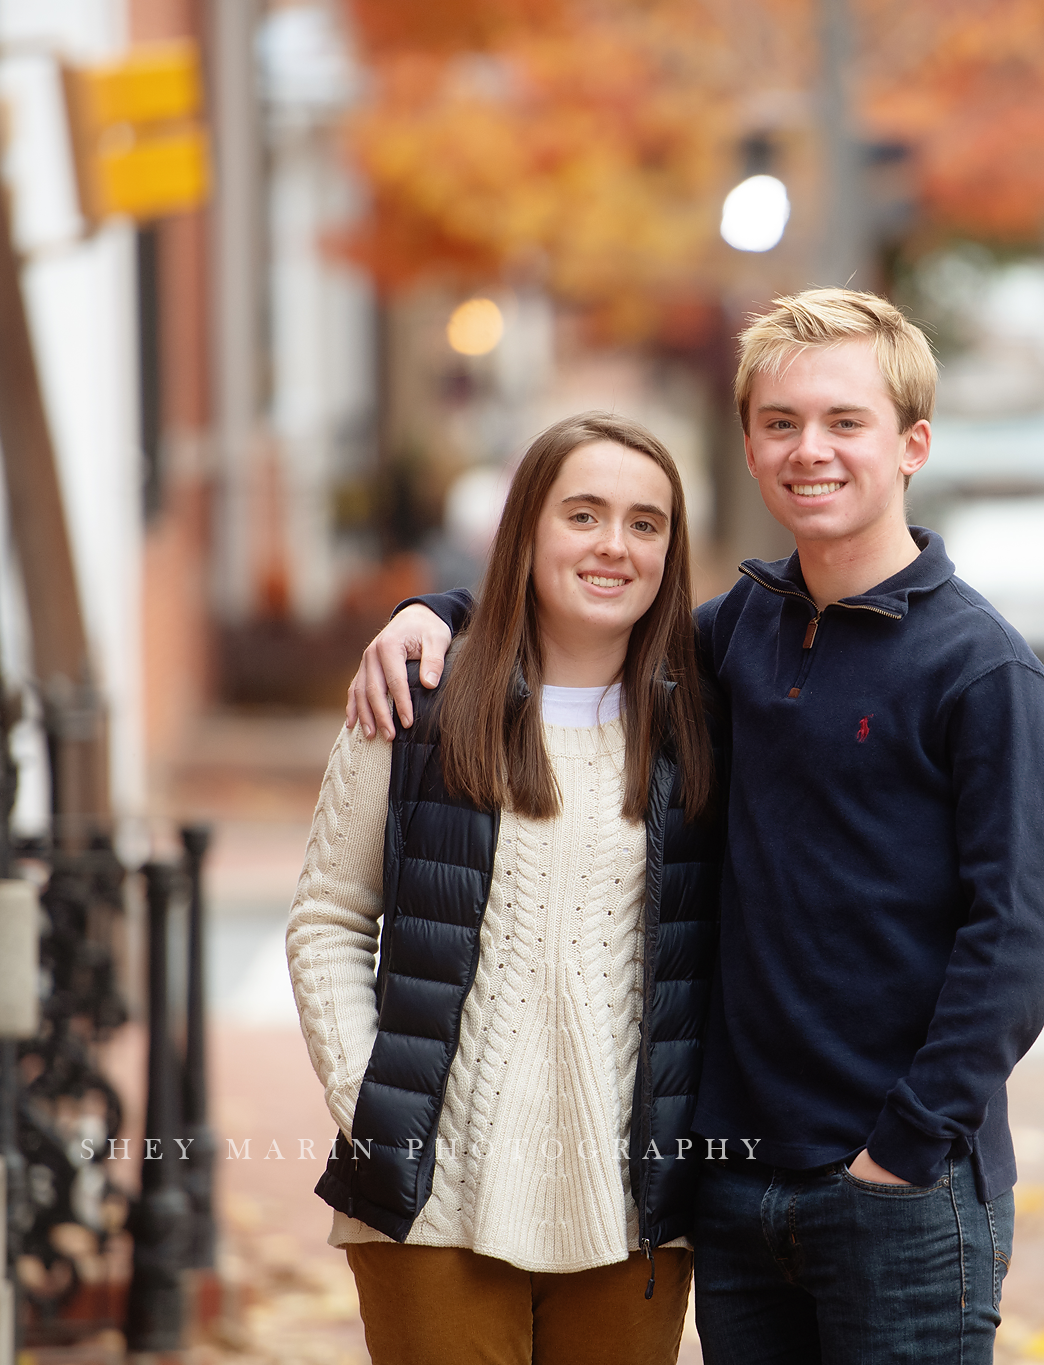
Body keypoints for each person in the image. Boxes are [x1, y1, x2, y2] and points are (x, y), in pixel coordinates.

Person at [347, 289, 1044, 1362]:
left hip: (898, 1198)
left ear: (912, 443)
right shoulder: (739, 632)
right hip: (730, 1195)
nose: (808, 451)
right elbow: (588, 614)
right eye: (780, 424)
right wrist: (439, 614)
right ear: (747, 443)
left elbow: (1014, 940)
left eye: (843, 423)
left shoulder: (982, 672)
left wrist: (903, 1151)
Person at [289, 412, 721, 1365]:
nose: (615, 544)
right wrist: (376, 1106)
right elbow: (328, 917)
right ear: (525, 530)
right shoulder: (416, 703)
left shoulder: (703, 727)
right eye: (584, 514)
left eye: (646, 524)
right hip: (430, 1201)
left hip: (634, 1213)